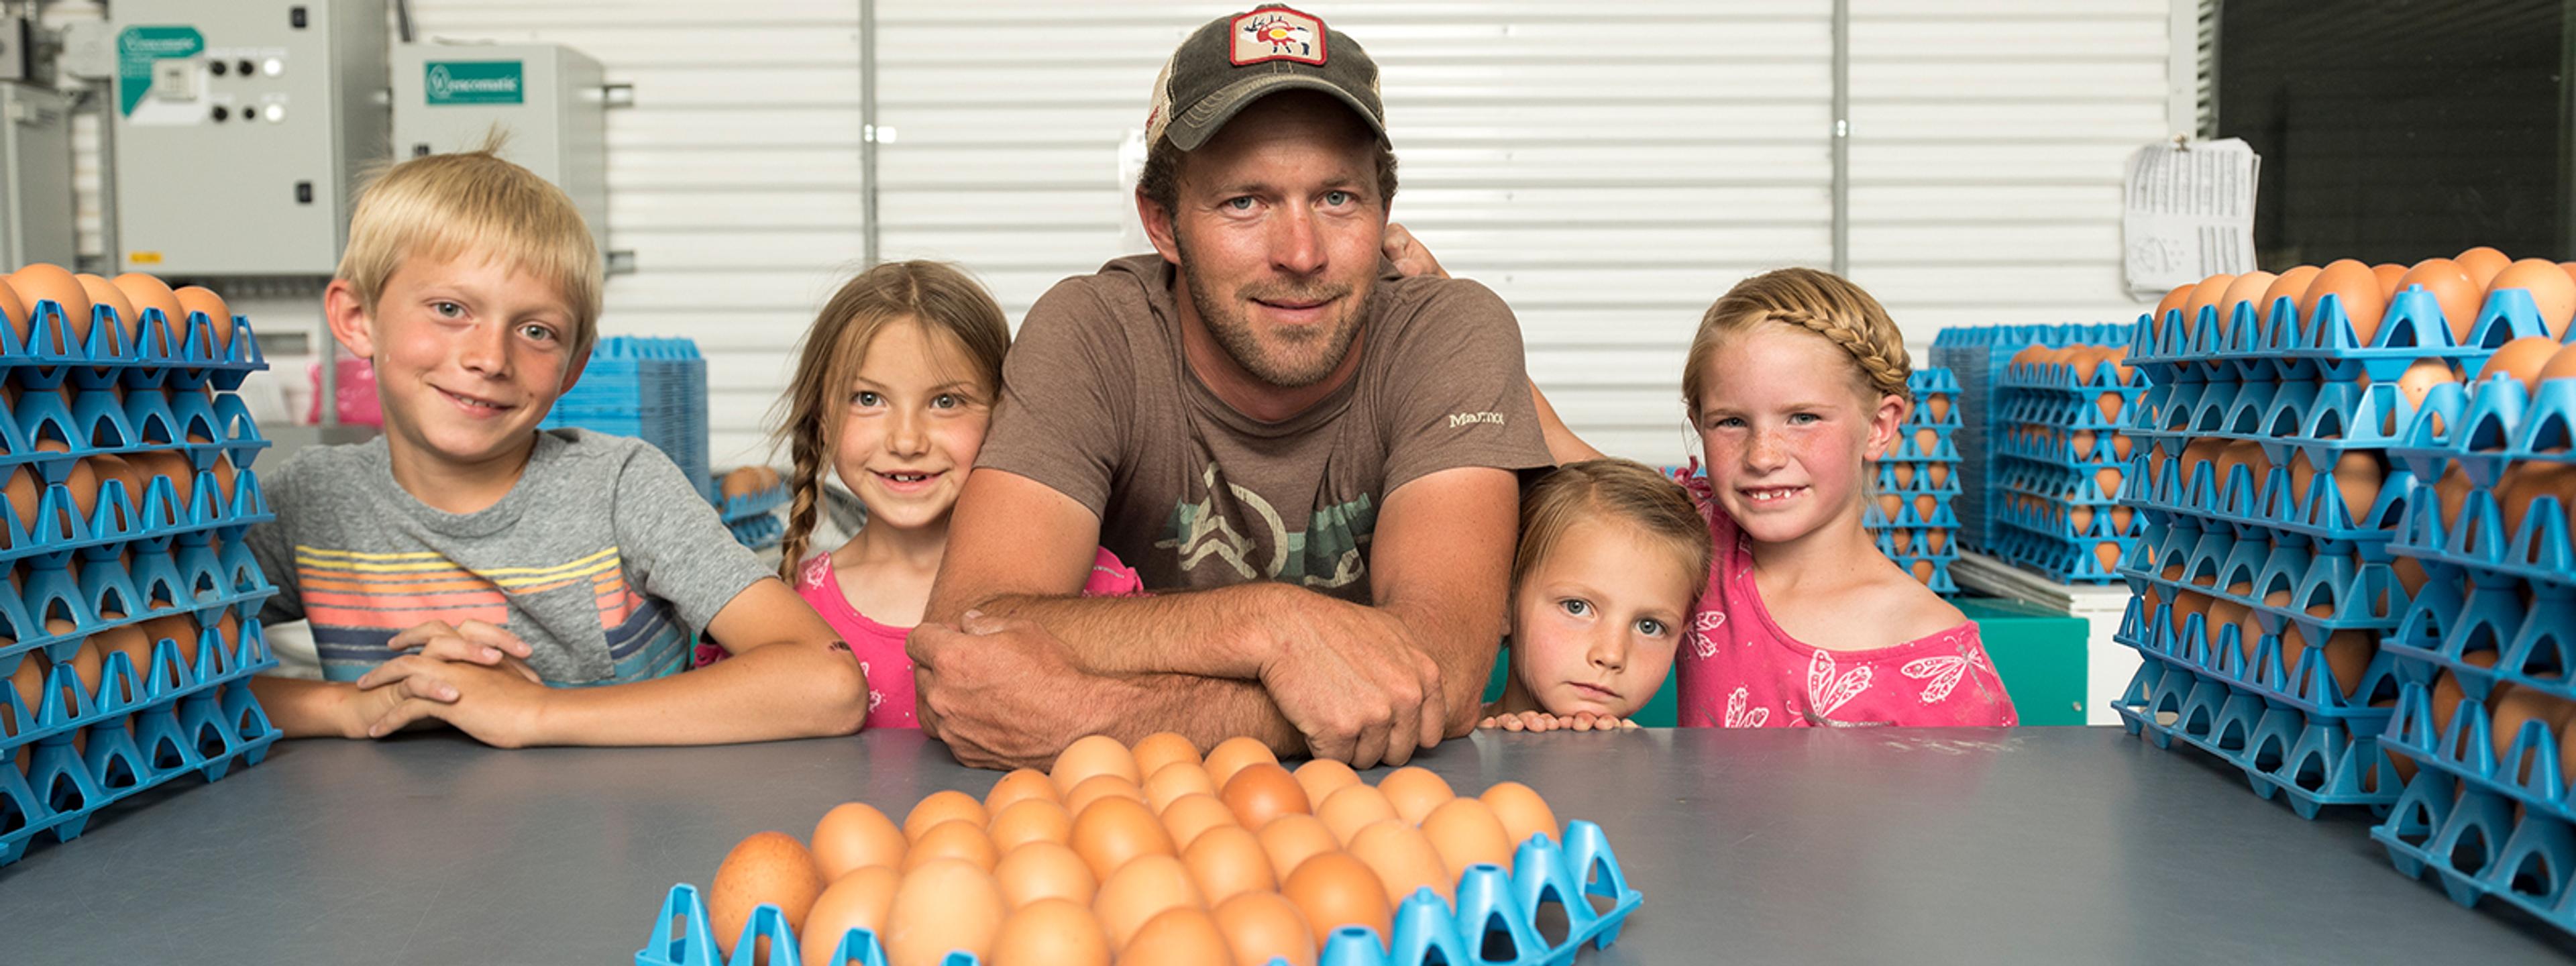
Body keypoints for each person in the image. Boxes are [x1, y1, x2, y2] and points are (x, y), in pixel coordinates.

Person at [911, 5, 1552, 769]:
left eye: (1337, 198)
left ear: (1384, 208)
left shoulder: (1449, 333)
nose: (1302, 253)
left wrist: (1098, 714)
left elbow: (1437, 675)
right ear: (1162, 223)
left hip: (1377, 834)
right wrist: (1267, 626)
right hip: (1129, 831)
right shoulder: (1093, 334)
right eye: (1244, 202)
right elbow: (964, 642)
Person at [244, 143, 869, 745]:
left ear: (573, 367)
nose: (490, 357)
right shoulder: (310, 502)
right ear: (357, 318)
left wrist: (536, 713)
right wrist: (355, 707)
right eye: (449, 308)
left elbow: (823, 682)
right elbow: (162, 683)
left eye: (537, 331)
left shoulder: (620, 488)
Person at [1552, 268, 2015, 727]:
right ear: (1698, 425)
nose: (1763, 456)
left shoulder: (1938, 660)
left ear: (1879, 427)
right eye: (1731, 422)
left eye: (1803, 418)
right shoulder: (1695, 544)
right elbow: (1550, 441)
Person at [706, 260, 1140, 728]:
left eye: (946, 402)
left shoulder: (1093, 593)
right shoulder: (781, 618)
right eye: (868, 399)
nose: (907, 441)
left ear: (1006, 415)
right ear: (821, 417)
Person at [1478, 459, 1711, 733]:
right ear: (1504, 602)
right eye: (1577, 607)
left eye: (1649, 626)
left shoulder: (1657, 768)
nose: (1612, 655)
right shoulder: (1438, 743)